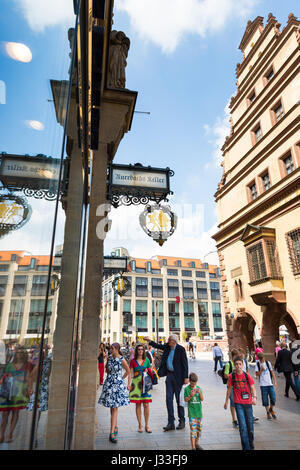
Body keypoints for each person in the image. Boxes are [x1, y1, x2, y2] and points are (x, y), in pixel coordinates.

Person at [144, 334, 188, 431]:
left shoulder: (180, 349)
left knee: (178, 399)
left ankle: (182, 421)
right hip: (169, 376)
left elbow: (185, 363)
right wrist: (149, 341)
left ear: (174, 341)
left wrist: (186, 377)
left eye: (169, 340)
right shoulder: (167, 347)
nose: (167, 341)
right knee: (168, 399)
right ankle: (171, 422)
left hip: (178, 378)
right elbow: (158, 346)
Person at [98, 343, 131, 443]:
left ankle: (112, 432)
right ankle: (115, 426)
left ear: (116, 349)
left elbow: (128, 371)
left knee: (115, 407)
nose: (110, 350)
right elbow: (107, 370)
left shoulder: (122, 359)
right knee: (112, 407)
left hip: (117, 385)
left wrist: (125, 381)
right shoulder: (110, 358)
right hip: (109, 384)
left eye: (112, 348)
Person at [0, 348, 33, 443]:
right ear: (15, 353)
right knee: (5, 414)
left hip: (19, 391)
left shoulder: (28, 365)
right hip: (7, 391)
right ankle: (1, 434)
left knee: (15, 413)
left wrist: (29, 389)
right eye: (18, 352)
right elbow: (3, 376)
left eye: (22, 352)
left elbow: (29, 377)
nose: (20, 354)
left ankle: (10, 434)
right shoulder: (9, 364)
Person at [224, 356, 257, 450]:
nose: (238, 366)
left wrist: (254, 398)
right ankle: (246, 448)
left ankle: (251, 444)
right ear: (234, 366)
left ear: (242, 365)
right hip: (238, 404)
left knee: (250, 427)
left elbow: (253, 388)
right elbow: (229, 390)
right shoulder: (231, 376)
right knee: (242, 427)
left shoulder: (247, 376)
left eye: (240, 364)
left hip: (248, 404)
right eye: (236, 364)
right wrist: (226, 401)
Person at [129, 343, 153, 433]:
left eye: (142, 349)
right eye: (138, 349)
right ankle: (140, 425)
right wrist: (129, 384)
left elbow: (151, 369)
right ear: (136, 351)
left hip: (145, 385)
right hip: (136, 385)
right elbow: (130, 373)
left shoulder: (146, 360)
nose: (140, 351)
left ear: (144, 351)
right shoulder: (132, 361)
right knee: (138, 404)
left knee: (146, 404)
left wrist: (148, 370)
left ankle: (147, 425)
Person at [255, 351, 277, 419]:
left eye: (263, 358)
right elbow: (256, 374)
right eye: (260, 359)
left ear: (264, 357)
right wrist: (261, 370)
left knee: (273, 398)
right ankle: (268, 412)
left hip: (270, 383)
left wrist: (275, 381)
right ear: (258, 358)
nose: (262, 360)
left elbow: (272, 372)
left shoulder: (268, 363)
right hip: (263, 385)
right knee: (265, 400)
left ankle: (271, 409)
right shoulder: (257, 364)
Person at [184, 372, 203, 450]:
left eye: (194, 384)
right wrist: (190, 396)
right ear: (189, 381)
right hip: (192, 413)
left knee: (199, 430)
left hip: (199, 413)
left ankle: (196, 443)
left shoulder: (198, 388)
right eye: (192, 384)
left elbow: (202, 399)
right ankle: (193, 447)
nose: (193, 385)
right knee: (193, 431)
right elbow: (185, 399)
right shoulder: (187, 389)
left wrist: (199, 393)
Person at [224, 348, 239, 428]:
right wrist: (232, 373)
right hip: (231, 386)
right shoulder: (229, 364)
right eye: (236, 356)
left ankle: (239, 417)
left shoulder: (239, 363)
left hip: (238, 385)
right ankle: (234, 420)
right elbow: (226, 375)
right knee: (233, 402)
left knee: (239, 402)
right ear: (233, 356)